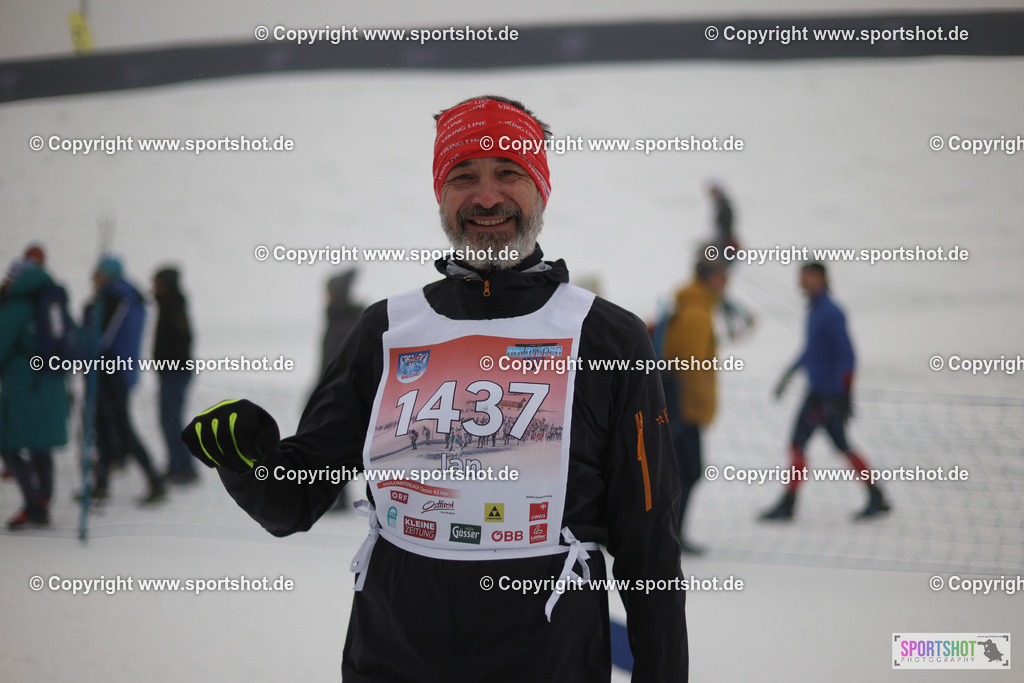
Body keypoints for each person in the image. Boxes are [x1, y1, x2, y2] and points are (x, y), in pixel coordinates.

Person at [182, 95, 687, 681]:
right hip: (394, 655)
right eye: (463, 176)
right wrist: (249, 460)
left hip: (547, 659)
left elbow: (648, 541)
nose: (487, 197)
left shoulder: (607, 337)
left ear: (540, 188)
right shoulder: (388, 330)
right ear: (441, 196)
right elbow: (293, 502)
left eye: (508, 173)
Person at [762, 262, 891, 521]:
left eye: (806, 278)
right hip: (820, 392)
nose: (801, 283)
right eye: (800, 278)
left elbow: (847, 355)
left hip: (826, 395)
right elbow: (811, 350)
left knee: (799, 443)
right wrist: (789, 374)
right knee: (839, 445)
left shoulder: (830, 312)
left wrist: (844, 394)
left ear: (821, 278)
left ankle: (789, 503)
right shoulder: (815, 309)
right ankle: (876, 495)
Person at [85, 256, 166, 505]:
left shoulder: (116, 297)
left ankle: (154, 480)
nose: (92, 279)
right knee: (106, 426)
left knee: (118, 427)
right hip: (116, 369)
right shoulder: (127, 295)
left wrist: (81, 351)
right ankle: (102, 483)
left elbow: (101, 337)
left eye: (97, 274)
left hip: (111, 370)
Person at [661, 259, 727, 554]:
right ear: (712, 279)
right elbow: (691, 366)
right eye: (722, 276)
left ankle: (670, 534)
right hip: (684, 410)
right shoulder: (697, 312)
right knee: (686, 473)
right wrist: (699, 409)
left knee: (679, 473)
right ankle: (669, 535)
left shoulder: (692, 306)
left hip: (679, 408)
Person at [0, 257, 70, 529]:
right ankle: (43, 502)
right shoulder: (55, 307)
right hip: (52, 388)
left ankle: (32, 504)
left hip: (21, 391)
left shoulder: (16, 309)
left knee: (8, 445)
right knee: (41, 448)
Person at [152, 266, 196, 485]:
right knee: (169, 420)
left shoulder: (174, 307)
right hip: (171, 371)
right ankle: (178, 465)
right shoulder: (170, 305)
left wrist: (170, 365)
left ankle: (183, 467)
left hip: (175, 372)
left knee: (171, 420)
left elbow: (181, 341)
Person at [705, 182, 754, 340]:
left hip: (725, 252)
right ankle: (735, 323)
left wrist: (715, 247)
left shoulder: (724, 208)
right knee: (718, 292)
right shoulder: (723, 206)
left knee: (717, 292)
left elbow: (724, 233)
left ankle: (740, 319)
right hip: (725, 250)